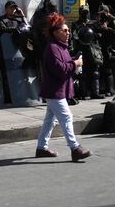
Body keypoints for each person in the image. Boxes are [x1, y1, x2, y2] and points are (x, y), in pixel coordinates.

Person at [34, 13, 91, 162]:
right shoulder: (52, 48)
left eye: (68, 30)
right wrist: (75, 64)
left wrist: (74, 61)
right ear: (55, 32)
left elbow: (65, 64)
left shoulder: (61, 47)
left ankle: (41, 148)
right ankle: (75, 148)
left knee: (50, 120)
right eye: (64, 30)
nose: (68, 33)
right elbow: (60, 69)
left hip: (58, 89)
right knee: (66, 117)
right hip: (54, 90)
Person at [95, 4, 115, 96]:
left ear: (107, 12)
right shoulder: (103, 20)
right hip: (103, 47)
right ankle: (106, 88)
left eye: (102, 13)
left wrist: (107, 28)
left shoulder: (113, 20)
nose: (101, 15)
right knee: (104, 68)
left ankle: (111, 89)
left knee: (109, 70)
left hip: (111, 48)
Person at [76, 24, 105, 99]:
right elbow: (92, 58)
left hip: (88, 65)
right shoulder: (84, 45)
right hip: (84, 64)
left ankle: (89, 93)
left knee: (92, 75)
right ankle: (88, 93)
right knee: (89, 75)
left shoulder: (89, 44)